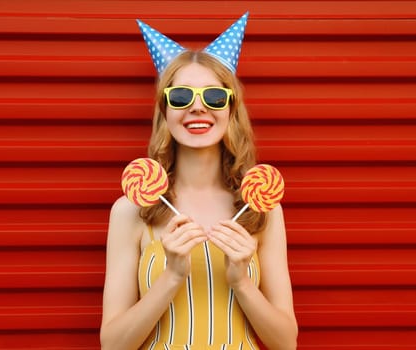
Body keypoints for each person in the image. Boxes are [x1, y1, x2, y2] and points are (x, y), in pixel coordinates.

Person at [100, 13, 297, 350]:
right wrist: (172, 276)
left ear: (232, 110)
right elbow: (113, 345)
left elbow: (286, 343)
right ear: (165, 111)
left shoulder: (260, 206)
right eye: (180, 97)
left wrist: (241, 282)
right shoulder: (132, 209)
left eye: (214, 97)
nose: (197, 108)